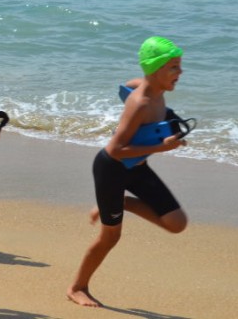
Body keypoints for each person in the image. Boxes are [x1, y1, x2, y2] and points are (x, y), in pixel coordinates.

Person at [67, 36, 189, 308]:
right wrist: (161, 147)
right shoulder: (141, 103)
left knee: (176, 222)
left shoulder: (155, 91)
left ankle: (121, 203)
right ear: (156, 70)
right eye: (173, 68)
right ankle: (77, 287)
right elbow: (115, 149)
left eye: (179, 66)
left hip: (138, 167)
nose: (180, 73)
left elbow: (128, 85)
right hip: (112, 170)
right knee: (111, 236)